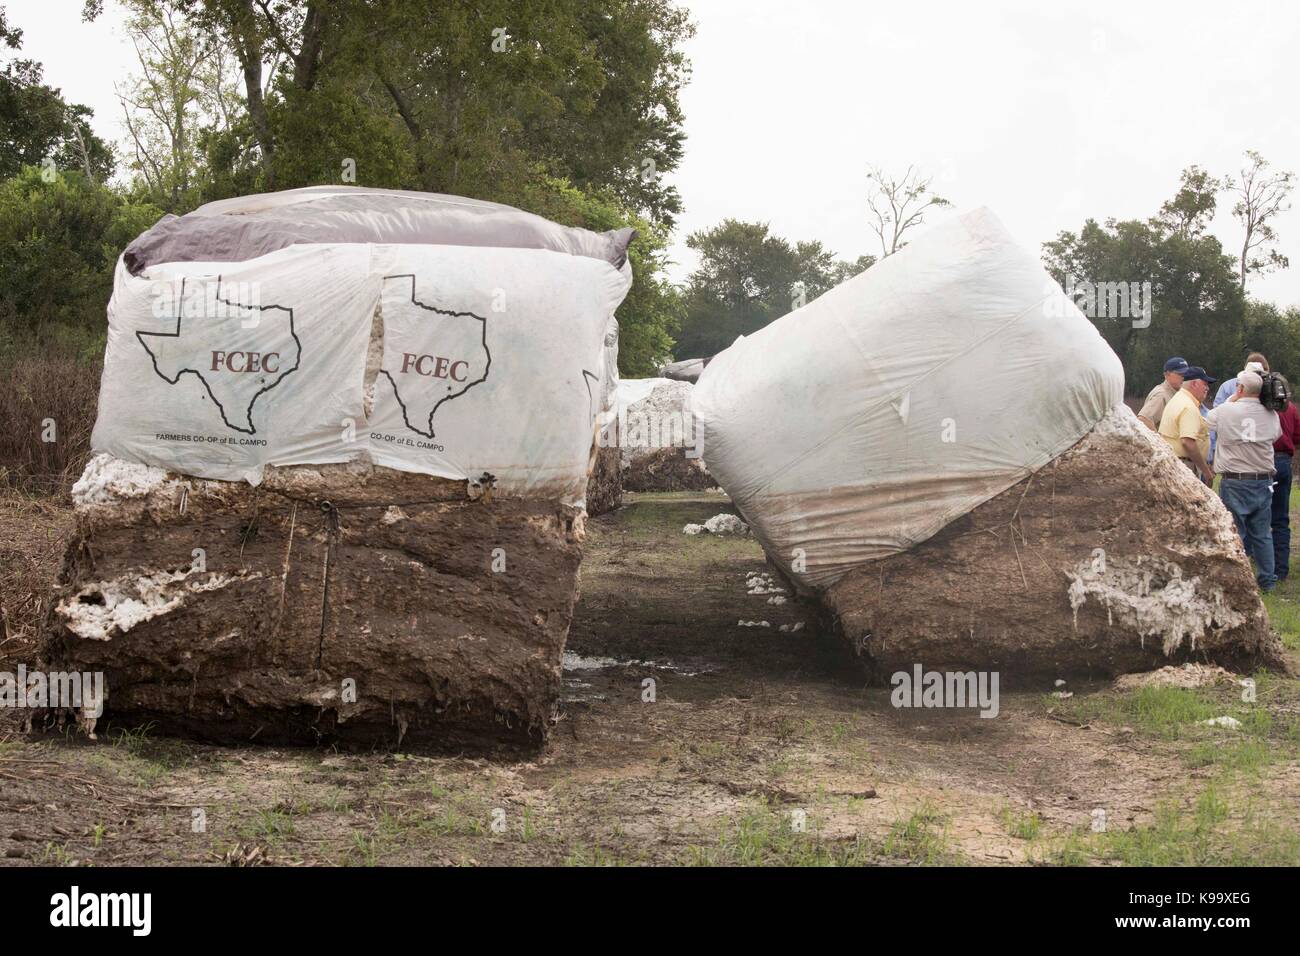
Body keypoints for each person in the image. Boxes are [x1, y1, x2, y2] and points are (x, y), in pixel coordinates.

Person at [1206, 370, 1282, 591]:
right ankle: (1268, 581)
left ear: (1239, 388)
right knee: (1261, 534)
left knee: (1234, 531)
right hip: (1262, 479)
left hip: (1235, 480)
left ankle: (1234, 581)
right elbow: (1275, 435)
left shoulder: (1226, 410)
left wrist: (1232, 399)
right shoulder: (1270, 414)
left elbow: (1209, 422)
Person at [1158, 366, 1215, 485]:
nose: (1207, 388)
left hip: (1174, 463)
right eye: (1205, 384)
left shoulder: (1177, 399)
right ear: (1194, 384)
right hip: (1184, 466)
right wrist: (1205, 471)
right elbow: (1187, 442)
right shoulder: (1188, 406)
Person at [1271, 375, 1300, 582]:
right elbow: (1297, 438)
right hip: (1283, 461)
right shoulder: (1290, 408)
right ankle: (1281, 569)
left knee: (1260, 517)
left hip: (1263, 461)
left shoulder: (1264, 408)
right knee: (1281, 518)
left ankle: (1264, 563)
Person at [1137, 356, 1190, 430]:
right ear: (1167, 374)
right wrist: (1158, 441)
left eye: (1186, 374)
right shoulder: (1161, 394)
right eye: (1180, 374)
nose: (1184, 378)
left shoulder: (1176, 393)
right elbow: (1143, 420)